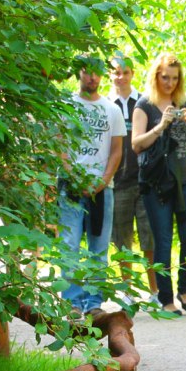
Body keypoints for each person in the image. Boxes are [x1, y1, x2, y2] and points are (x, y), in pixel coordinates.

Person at [131, 52, 186, 317]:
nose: (170, 83)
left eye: (174, 78)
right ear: (156, 77)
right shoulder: (144, 105)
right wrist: (160, 125)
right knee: (163, 240)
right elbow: (136, 144)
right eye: (165, 77)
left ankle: (184, 288)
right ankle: (166, 298)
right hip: (157, 181)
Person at [57, 57, 124, 314]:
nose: (92, 78)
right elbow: (59, 145)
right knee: (70, 245)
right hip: (70, 187)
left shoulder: (112, 110)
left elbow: (116, 151)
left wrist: (103, 181)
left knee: (99, 248)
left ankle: (94, 303)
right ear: (79, 73)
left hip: (102, 189)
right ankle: (72, 302)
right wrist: (74, 177)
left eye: (97, 73)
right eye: (87, 72)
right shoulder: (66, 106)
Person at [108, 55, 158, 303]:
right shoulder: (106, 105)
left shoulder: (146, 102)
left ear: (133, 74)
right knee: (122, 239)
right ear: (110, 75)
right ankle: (126, 291)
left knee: (150, 239)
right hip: (118, 182)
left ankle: (155, 292)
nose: (121, 77)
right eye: (116, 72)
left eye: (125, 72)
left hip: (145, 181)